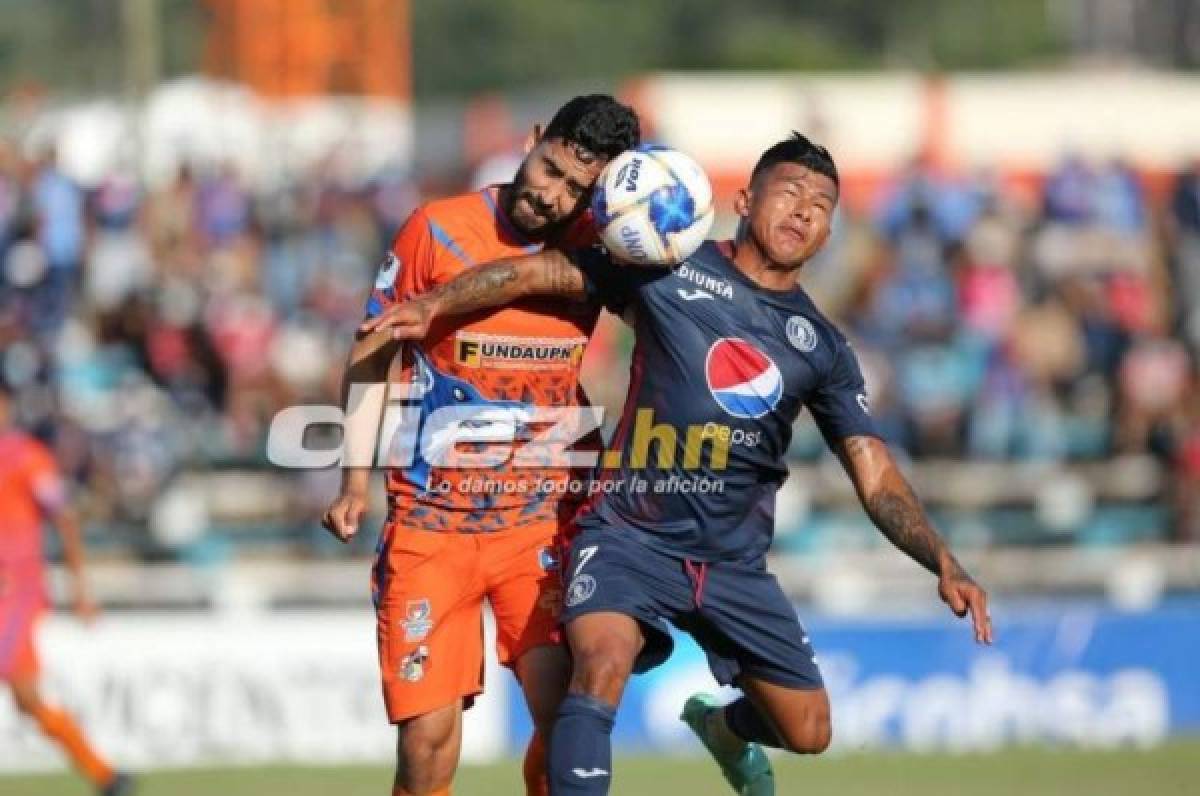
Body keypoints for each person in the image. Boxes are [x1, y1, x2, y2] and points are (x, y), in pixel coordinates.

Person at [363, 133, 993, 795]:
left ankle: (724, 728)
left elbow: (875, 471)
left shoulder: (824, 348)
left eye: (822, 205)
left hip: (731, 561)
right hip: (626, 538)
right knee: (600, 665)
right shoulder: (664, 265)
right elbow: (534, 272)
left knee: (808, 730)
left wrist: (942, 559)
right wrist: (439, 301)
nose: (805, 211)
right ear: (745, 201)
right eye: (790, 192)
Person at [321, 95, 640, 796]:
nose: (550, 195)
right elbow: (373, 356)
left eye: (573, 188)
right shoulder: (436, 229)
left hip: (540, 526)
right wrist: (353, 480)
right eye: (548, 167)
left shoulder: (600, 249)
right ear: (532, 140)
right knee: (427, 747)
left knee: (567, 725)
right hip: (431, 526)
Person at [0, 383, 133, 795]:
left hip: (13, 594)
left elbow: (65, 520)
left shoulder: (26, 457)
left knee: (23, 691)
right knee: (27, 702)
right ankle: (105, 776)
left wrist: (81, 591)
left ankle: (103, 774)